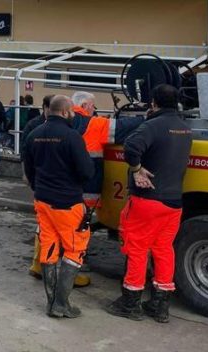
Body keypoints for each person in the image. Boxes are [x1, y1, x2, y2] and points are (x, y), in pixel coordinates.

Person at [106, 85, 193, 323]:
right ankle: (159, 305)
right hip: (174, 202)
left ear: (153, 103)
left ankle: (130, 302)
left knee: (136, 249)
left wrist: (136, 169)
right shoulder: (185, 128)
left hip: (148, 200)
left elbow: (131, 148)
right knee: (164, 249)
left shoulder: (152, 125)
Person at [23, 95, 94, 319]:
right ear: (64, 112)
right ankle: (61, 304)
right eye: (71, 111)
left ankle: (51, 302)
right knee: (74, 249)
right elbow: (86, 172)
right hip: (67, 203)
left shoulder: (34, 135)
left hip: (42, 200)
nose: (73, 115)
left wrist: (39, 187)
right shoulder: (72, 137)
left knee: (49, 247)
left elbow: (29, 170)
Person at [69, 91, 145, 287]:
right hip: (85, 190)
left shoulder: (60, 122)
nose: (94, 110)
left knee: (58, 227)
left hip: (59, 188)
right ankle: (72, 267)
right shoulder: (93, 124)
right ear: (85, 106)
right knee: (78, 229)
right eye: (93, 107)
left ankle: (47, 262)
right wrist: (148, 116)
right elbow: (123, 127)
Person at [22, 94, 53, 279]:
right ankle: (38, 262)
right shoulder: (34, 125)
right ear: (45, 108)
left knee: (44, 222)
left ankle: (41, 261)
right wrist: (26, 173)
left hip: (47, 178)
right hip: (39, 178)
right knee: (42, 221)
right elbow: (25, 151)